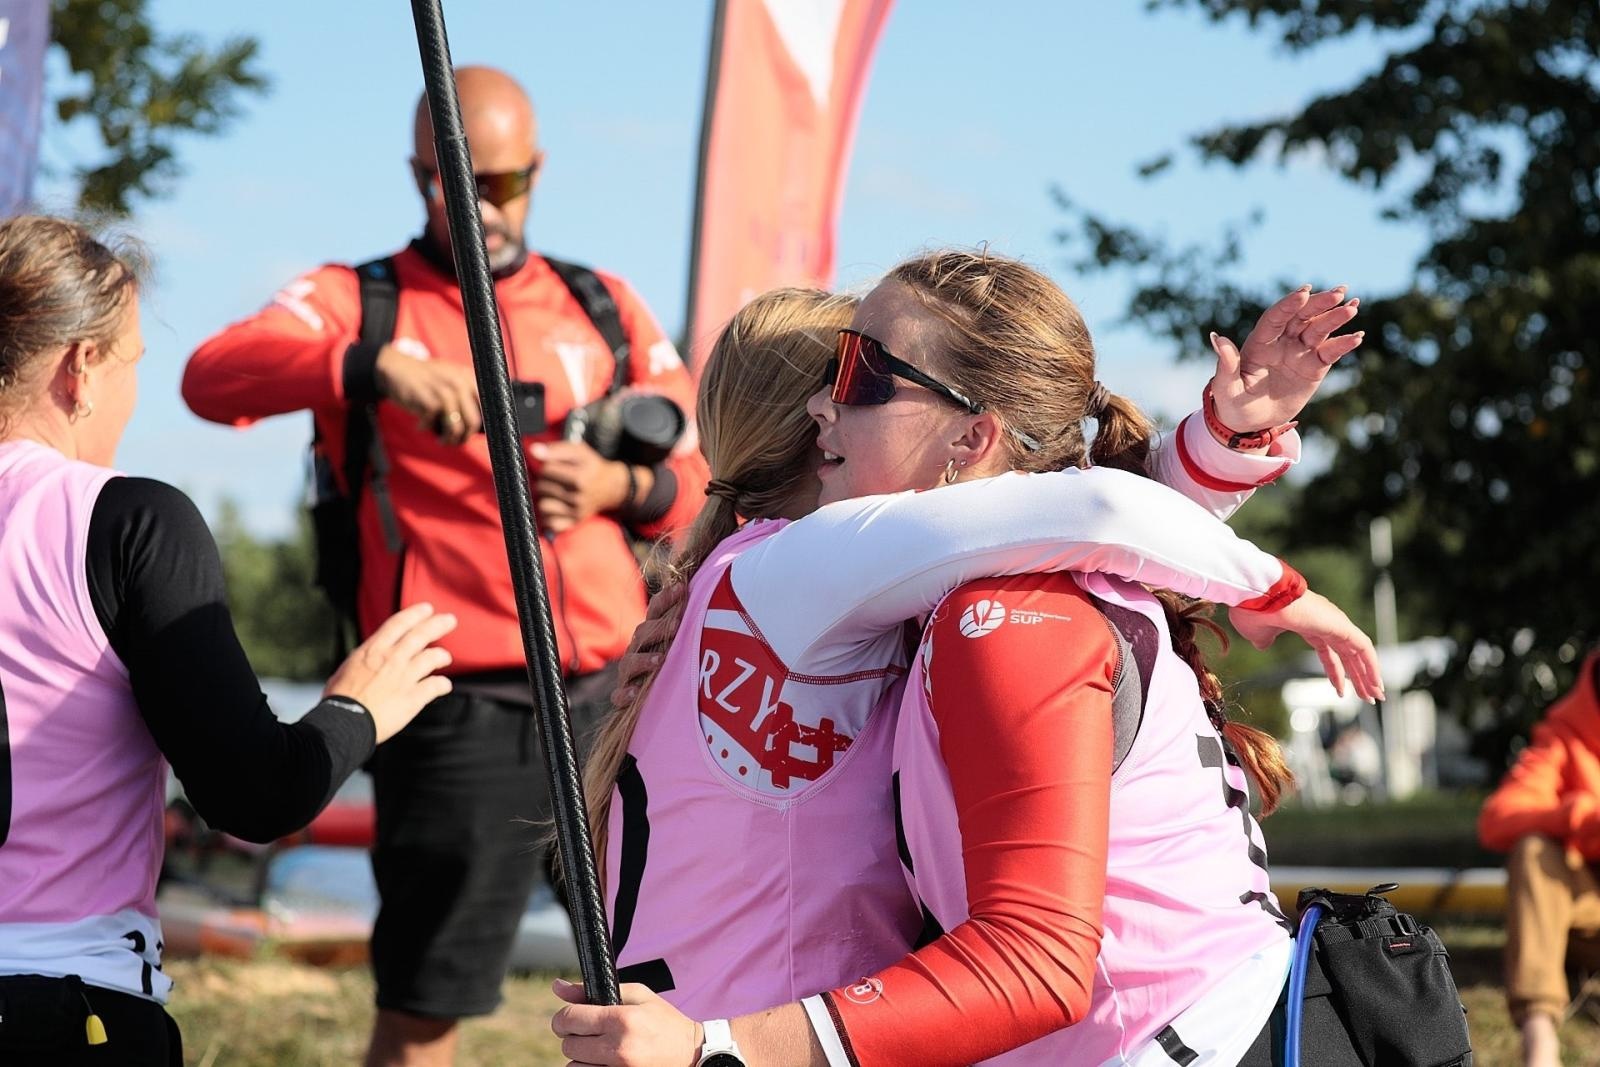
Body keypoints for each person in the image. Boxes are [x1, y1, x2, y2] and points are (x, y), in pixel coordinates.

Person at [552, 253, 1378, 1064]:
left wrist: (1223, 451)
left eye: (861, 374)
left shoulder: (915, 596)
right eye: (837, 368)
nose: (826, 401)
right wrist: (1264, 579)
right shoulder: (806, 569)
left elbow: (1070, 510)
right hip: (732, 1034)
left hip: (1181, 1032)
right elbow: (1087, 505)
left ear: (971, 432)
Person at [180, 66, 707, 1065]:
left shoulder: (602, 302)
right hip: (455, 705)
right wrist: (369, 368)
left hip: (611, 694)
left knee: (663, 982)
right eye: (439, 180)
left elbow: (695, 473)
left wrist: (614, 488)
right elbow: (211, 376)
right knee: (428, 998)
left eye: (495, 183)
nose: (465, 204)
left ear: (536, 174)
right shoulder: (358, 299)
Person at [0, 215, 455, 1066]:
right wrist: (358, 707)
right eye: (135, 360)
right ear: (82, 368)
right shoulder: (127, 520)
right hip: (65, 1003)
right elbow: (255, 796)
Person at [1479, 649, 1600, 1067]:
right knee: (1534, 849)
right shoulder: (1566, 731)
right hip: (1588, 918)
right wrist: (1580, 816)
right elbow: (1498, 819)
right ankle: (1540, 1037)